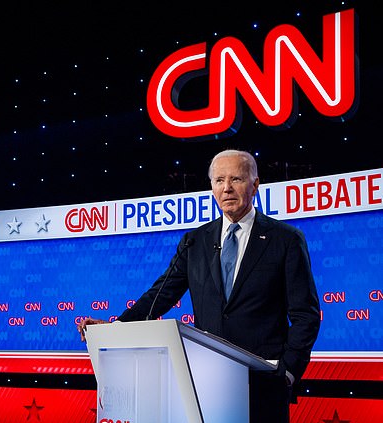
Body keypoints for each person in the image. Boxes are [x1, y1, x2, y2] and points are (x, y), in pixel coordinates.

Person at [77, 149, 321, 423]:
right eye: (219, 180)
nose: (226, 188)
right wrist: (117, 327)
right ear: (212, 188)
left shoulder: (285, 239)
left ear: (255, 185)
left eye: (236, 179)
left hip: (264, 383)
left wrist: (287, 371)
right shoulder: (195, 241)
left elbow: (305, 315)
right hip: (207, 382)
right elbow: (162, 294)